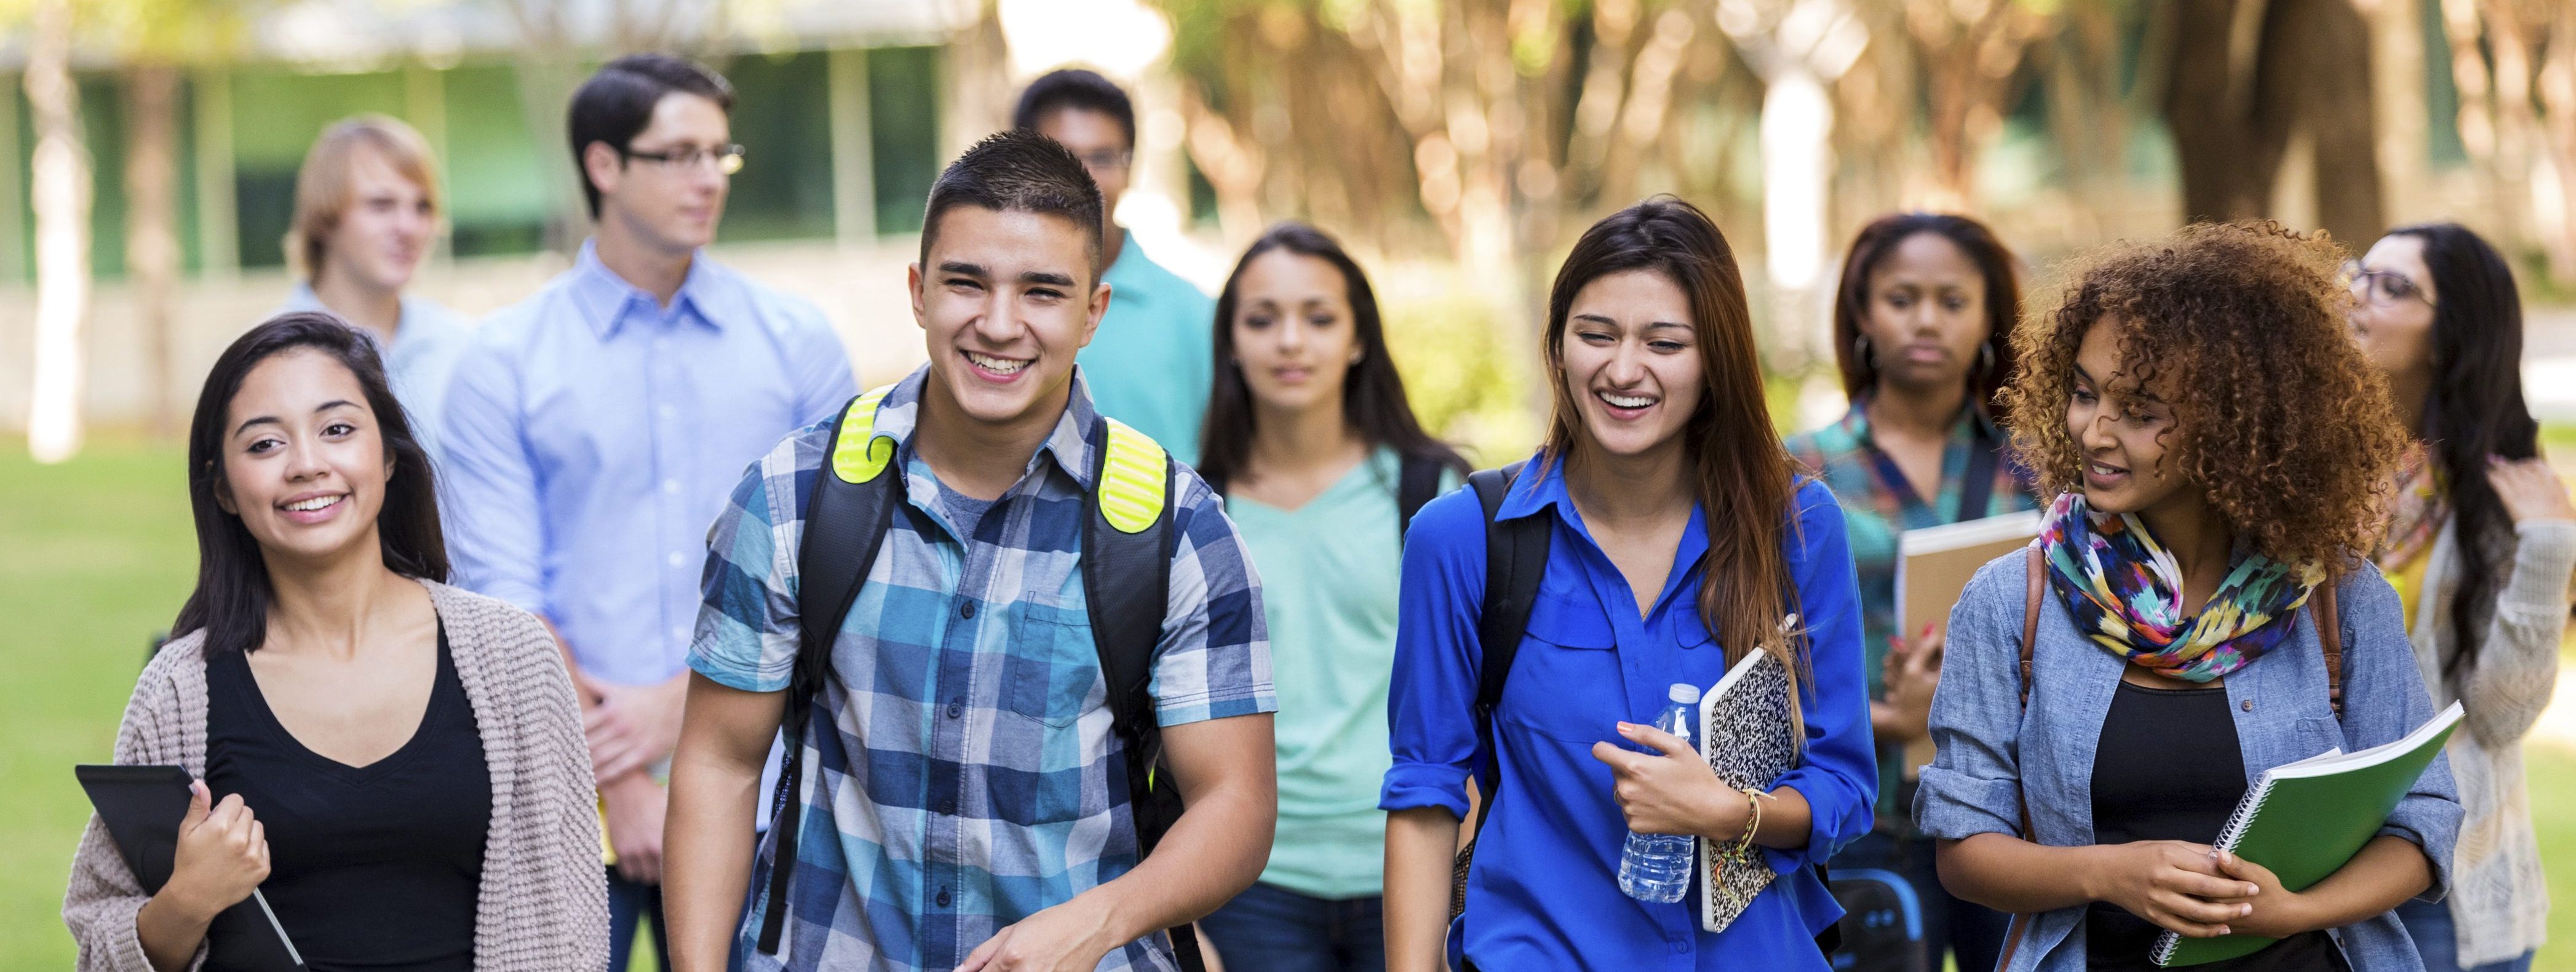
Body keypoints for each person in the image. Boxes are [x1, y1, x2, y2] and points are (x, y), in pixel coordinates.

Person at [661, 130, 1278, 972]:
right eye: (966, 282)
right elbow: (719, 766)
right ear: (918, 291)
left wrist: (1096, 924)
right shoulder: (792, 496)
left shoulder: (1176, 529)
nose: (998, 324)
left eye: (1042, 292)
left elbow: (1235, 803)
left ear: (1093, 312)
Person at [1918, 222, 2463, 972]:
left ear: (2236, 425)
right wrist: (2109, 873)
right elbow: (1963, 845)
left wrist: (2294, 910)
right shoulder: (2014, 598)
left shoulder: (2337, 598)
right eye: (2084, 393)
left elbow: (2423, 820)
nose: (2097, 431)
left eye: (2141, 411)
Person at [439, 53, 857, 971]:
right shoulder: (503, 362)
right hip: (560, 810)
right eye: (677, 155)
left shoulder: (797, 344)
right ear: (603, 165)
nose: (708, 178)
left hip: (772, 799)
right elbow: (504, 605)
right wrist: (622, 782)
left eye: (719, 153)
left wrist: (689, 711)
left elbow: (841, 567)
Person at [1380, 197, 1876, 971]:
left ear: (1715, 359)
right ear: (1558, 347)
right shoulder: (1464, 538)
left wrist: (1727, 811)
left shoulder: (1797, 525)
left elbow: (1844, 783)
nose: (1621, 369)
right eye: (1596, 335)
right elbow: (1425, 787)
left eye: (1664, 342)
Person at [63, 313, 606, 971]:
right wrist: (186, 899)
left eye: (338, 429)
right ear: (224, 490)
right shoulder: (181, 690)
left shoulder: (513, 655)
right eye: (264, 444)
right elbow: (100, 944)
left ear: (388, 455)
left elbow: (575, 919)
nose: (308, 464)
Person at [1190, 223, 1469, 972]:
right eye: (1262, 318)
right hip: (1251, 881)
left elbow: (1480, 692)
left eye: (1318, 317)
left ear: (1357, 340)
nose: (1290, 341)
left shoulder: (1432, 497)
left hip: (1412, 862)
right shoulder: (1191, 510)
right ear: (1231, 342)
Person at [1783, 212, 2032, 972]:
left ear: (1990, 317)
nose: (1927, 319)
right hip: (1866, 812)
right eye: (1902, 298)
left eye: (1953, 301)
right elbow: (1756, 649)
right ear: (1861, 312)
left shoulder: (2042, 467)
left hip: (2017, 811)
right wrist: (1889, 718)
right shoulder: (1799, 469)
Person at [2347, 223, 2575, 972]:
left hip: (2453, 885)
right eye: (2361, 273)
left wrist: (2547, 553)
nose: (2359, 296)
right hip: (2314, 863)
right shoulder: (2314, 468)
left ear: (2448, 335)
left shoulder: (2501, 494)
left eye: (2394, 286)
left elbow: (2501, 714)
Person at [1015, 68, 1218, 468]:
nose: (1084, 177)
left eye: (1104, 158)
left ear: (1131, 170)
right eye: (1063, 156)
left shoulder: (1194, 315)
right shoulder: (989, 310)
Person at [274, 114, 474, 462]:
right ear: (324, 218)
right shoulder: (267, 358)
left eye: (422, 207)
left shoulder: (465, 347)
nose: (408, 227)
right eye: (381, 205)